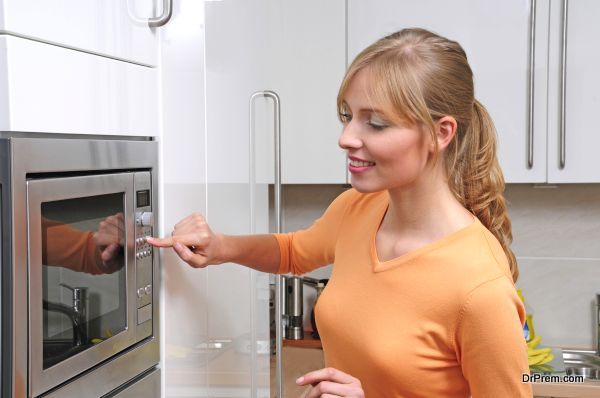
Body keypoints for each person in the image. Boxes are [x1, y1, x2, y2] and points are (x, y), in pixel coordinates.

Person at [148, 28, 531, 397]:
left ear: (441, 133)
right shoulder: (359, 208)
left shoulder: (480, 291)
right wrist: (220, 246)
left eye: (376, 123)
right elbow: (293, 252)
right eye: (347, 116)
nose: (346, 138)